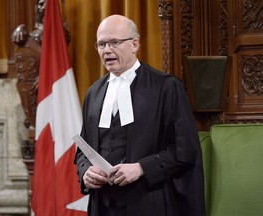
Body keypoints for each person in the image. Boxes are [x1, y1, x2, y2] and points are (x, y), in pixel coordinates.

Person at [75, 14, 206, 216]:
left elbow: (185, 149)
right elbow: (84, 149)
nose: (107, 50)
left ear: (134, 44)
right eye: (101, 44)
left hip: (148, 202)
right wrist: (86, 172)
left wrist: (141, 168)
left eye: (114, 43)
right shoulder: (93, 93)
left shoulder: (166, 87)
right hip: (103, 205)